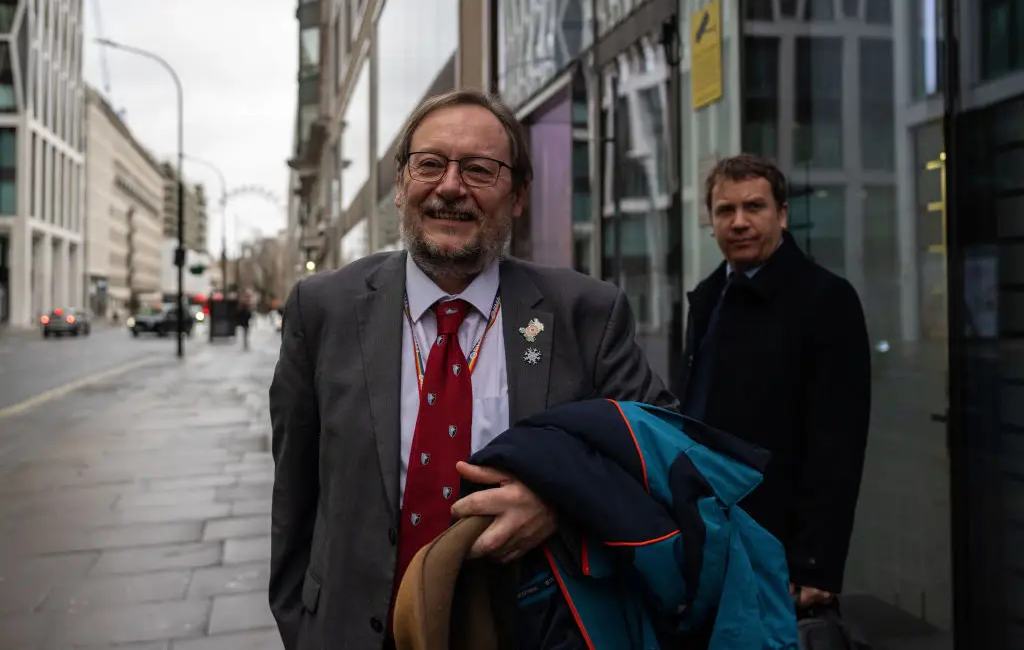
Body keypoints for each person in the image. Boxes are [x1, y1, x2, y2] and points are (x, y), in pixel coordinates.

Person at [268, 89, 677, 650]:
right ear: (400, 184)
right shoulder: (321, 310)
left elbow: (661, 454)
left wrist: (560, 501)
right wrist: (301, 625)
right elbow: (294, 494)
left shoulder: (586, 314)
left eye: (480, 170)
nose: (451, 187)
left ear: (518, 196)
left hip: (532, 632)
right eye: (430, 164)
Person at [680, 154, 871, 612]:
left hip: (780, 547)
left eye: (754, 207)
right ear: (711, 222)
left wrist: (815, 561)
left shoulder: (825, 299)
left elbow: (837, 443)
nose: (740, 222)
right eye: (726, 211)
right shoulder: (707, 298)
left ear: (782, 215)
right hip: (709, 535)